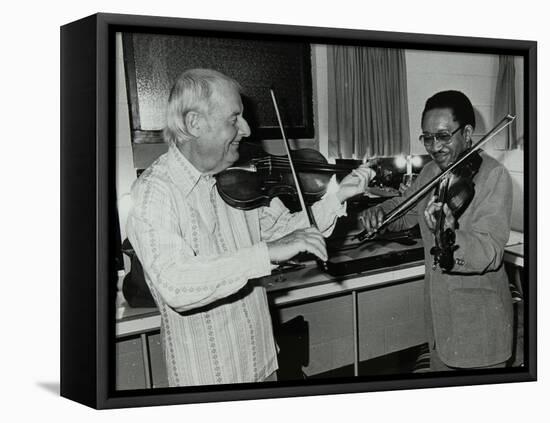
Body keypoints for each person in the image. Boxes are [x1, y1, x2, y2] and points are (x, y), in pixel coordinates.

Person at [126, 68, 374, 386]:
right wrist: (266, 254)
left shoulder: (238, 179)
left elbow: (290, 232)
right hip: (208, 381)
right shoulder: (153, 192)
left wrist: (336, 196)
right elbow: (176, 283)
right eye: (234, 118)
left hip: (263, 363)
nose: (246, 129)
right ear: (193, 123)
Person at [360, 90, 514, 371]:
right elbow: (405, 209)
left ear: (467, 133)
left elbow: (489, 251)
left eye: (443, 136)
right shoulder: (431, 172)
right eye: (427, 137)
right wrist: (380, 213)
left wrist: (450, 235)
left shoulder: (494, 175)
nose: (434, 146)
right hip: (439, 325)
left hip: (479, 330)